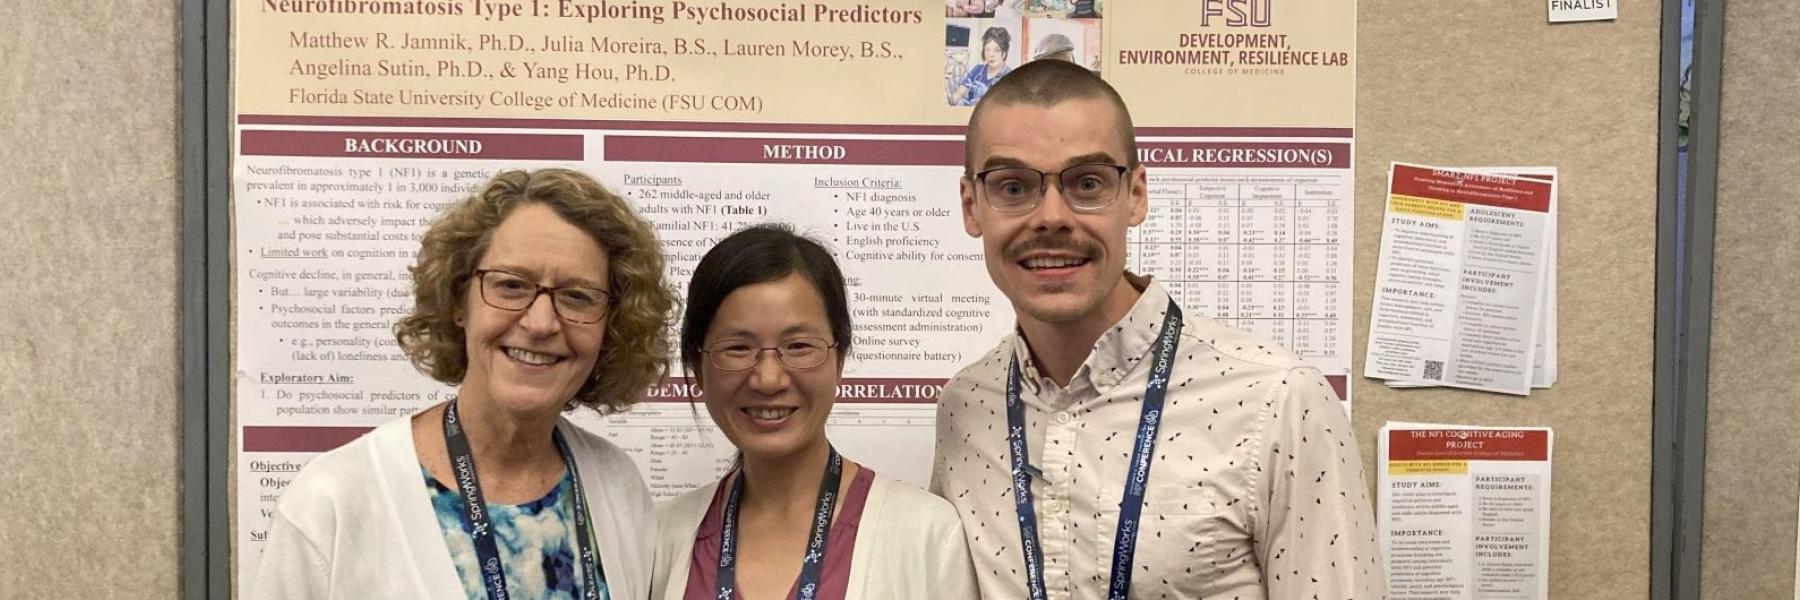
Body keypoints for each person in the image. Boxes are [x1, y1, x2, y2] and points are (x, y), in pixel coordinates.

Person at [930, 60, 1384, 599]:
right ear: (971, 205)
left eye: (1087, 182)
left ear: (1136, 194)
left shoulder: (1279, 400)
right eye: (1013, 187)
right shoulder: (966, 406)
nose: (1050, 216)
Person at [254, 168, 677, 599]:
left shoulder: (616, 485)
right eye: (511, 285)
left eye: (577, 296)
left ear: (612, 324)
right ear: (459, 301)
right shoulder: (335, 499)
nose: (541, 322)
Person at [652, 224, 978, 600]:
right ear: (697, 367)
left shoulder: (928, 536)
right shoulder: (661, 538)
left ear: (838, 359)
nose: (768, 379)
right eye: (738, 348)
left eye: (798, 346)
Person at [949, 27, 1013, 107]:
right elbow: (958, 94)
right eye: (987, 50)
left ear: (1004, 53)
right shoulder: (977, 70)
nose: (991, 55)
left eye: (997, 50)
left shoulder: (1010, 77)